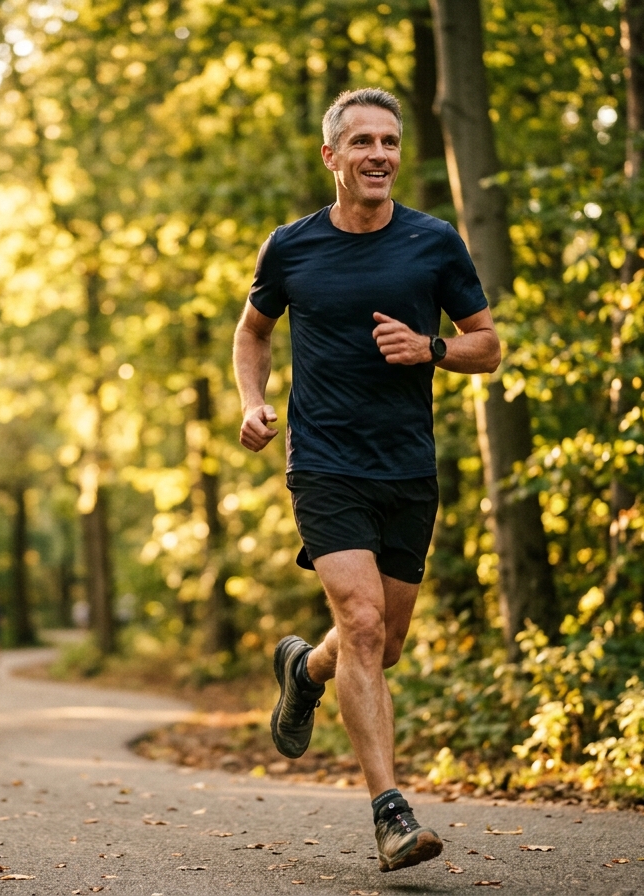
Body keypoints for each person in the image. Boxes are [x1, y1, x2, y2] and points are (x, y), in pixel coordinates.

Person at [232, 87, 501, 873]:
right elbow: (253, 332)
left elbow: (486, 344)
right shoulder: (291, 246)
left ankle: (302, 669)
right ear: (332, 157)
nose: (380, 154)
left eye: (389, 141)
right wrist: (253, 402)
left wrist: (434, 350)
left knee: (377, 647)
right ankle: (391, 813)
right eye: (362, 143)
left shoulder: (434, 241)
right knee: (362, 621)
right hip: (323, 462)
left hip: (407, 467)